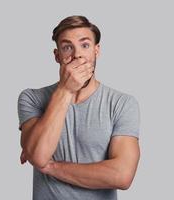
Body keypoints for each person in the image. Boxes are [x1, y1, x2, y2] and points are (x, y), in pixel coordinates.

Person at [17, 15, 140, 200]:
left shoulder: (122, 103)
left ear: (96, 51)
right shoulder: (31, 98)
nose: (77, 55)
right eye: (67, 47)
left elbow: (122, 175)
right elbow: (39, 156)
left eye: (85, 45)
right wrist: (65, 90)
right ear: (57, 56)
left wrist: (51, 167)